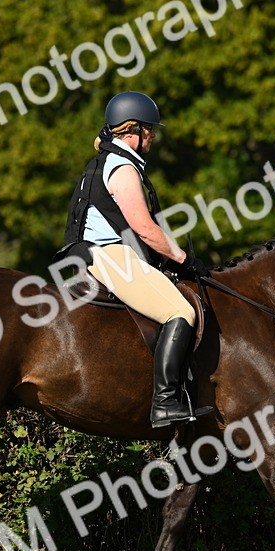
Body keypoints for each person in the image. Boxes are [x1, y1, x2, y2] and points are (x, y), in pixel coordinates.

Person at [56, 92, 211, 428]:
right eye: (149, 129)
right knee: (180, 310)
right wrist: (184, 259)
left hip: (100, 253)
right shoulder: (122, 166)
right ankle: (165, 402)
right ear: (132, 131)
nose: (152, 136)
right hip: (110, 255)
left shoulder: (107, 161)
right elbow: (144, 228)